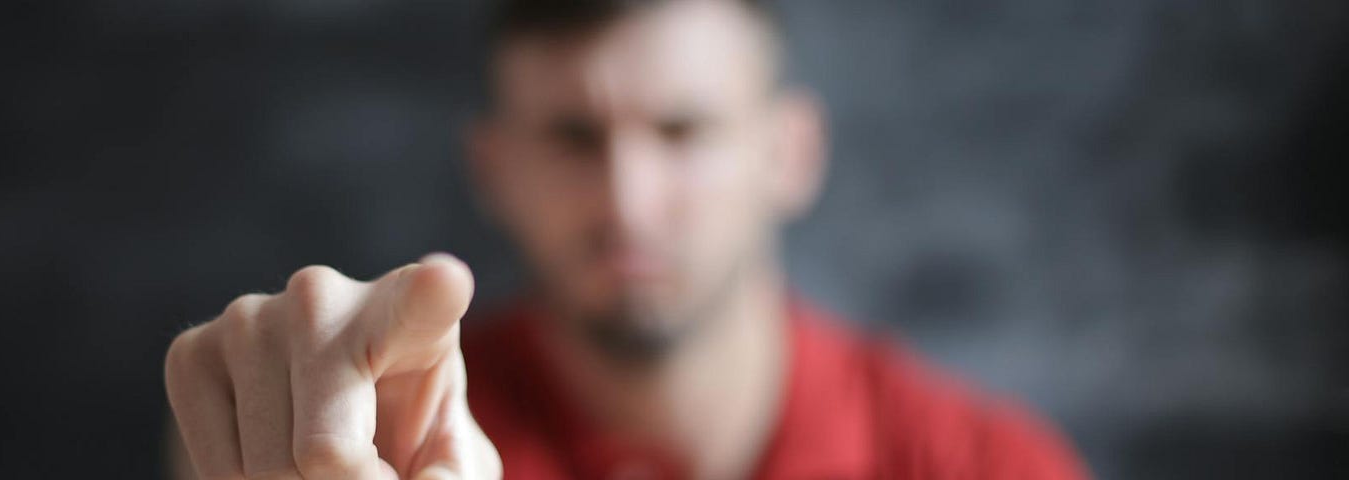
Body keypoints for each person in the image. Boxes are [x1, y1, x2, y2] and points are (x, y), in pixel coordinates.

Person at [162, 0, 1090, 478]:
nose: (626, 201)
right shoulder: (393, 444)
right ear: (494, 169)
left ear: (791, 155)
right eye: (574, 137)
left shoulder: (985, 467)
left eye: (683, 132)